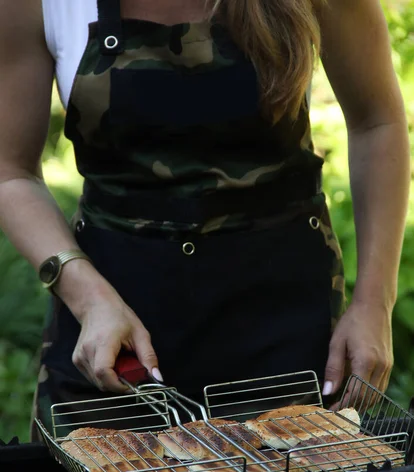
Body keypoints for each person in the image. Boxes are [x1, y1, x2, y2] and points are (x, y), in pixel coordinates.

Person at [0, 0, 409, 438]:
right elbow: (11, 171)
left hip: (282, 326)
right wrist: (88, 298)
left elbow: (376, 122)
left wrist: (373, 303)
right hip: (111, 338)